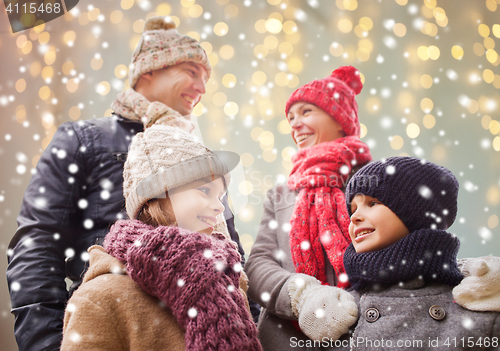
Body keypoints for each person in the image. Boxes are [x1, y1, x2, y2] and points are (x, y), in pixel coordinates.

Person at [6, 16, 248, 351]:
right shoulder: (84, 139)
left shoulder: (198, 155)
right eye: (191, 72)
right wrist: (47, 344)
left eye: (206, 79)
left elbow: (232, 249)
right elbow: (37, 242)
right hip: (115, 329)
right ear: (149, 70)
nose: (202, 88)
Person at [246, 66, 500, 351]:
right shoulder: (282, 194)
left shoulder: (379, 180)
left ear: (340, 118)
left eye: (306, 112)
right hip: (287, 338)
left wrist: (469, 275)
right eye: (291, 117)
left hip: (371, 329)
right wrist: (303, 296)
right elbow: (257, 266)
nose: (295, 124)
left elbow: (416, 246)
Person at [60, 124, 263, 351]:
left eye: (221, 196)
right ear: (156, 196)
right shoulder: (99, 300)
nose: (219, 207)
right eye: (205, 191)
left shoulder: (227, 279)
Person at [339, 156, 500, 350]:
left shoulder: (477, 307)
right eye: (353, 208)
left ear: (416, 214)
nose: (354, 216)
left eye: (373, 203)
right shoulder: (339, 311)